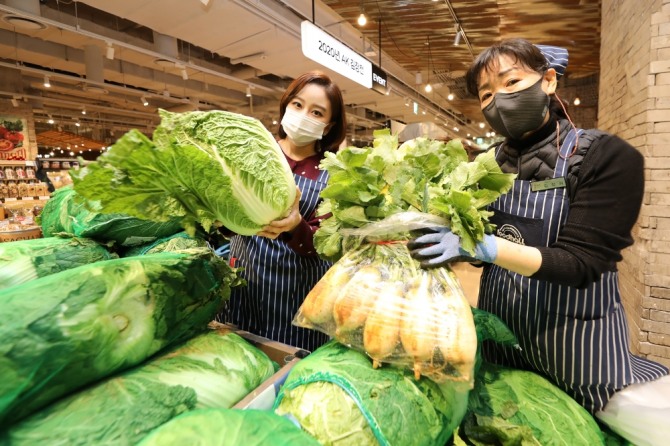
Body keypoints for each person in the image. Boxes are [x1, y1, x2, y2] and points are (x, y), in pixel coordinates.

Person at [409, 38, 669, 444]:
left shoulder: (606, 157)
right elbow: (479, 256)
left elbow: (581, 264)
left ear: (548, 81)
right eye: (487, 94)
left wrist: (485, 247)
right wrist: (441, 243)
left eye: (511, 82)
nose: (499, 100)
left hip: (580, 359)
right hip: (501, 352)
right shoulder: (487, 167)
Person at [217, 71, 347, 352]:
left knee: (288, 365)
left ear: (328, 125)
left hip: (296, 292)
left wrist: (297, 225)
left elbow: (328, 244)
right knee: (240, 357)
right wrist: (221, 218)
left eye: (317, 112)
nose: (303, 115)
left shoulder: (334, 173)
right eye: (297, 105)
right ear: (286, 104)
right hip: (245, 282)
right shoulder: (254, 153)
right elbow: (230, 210)